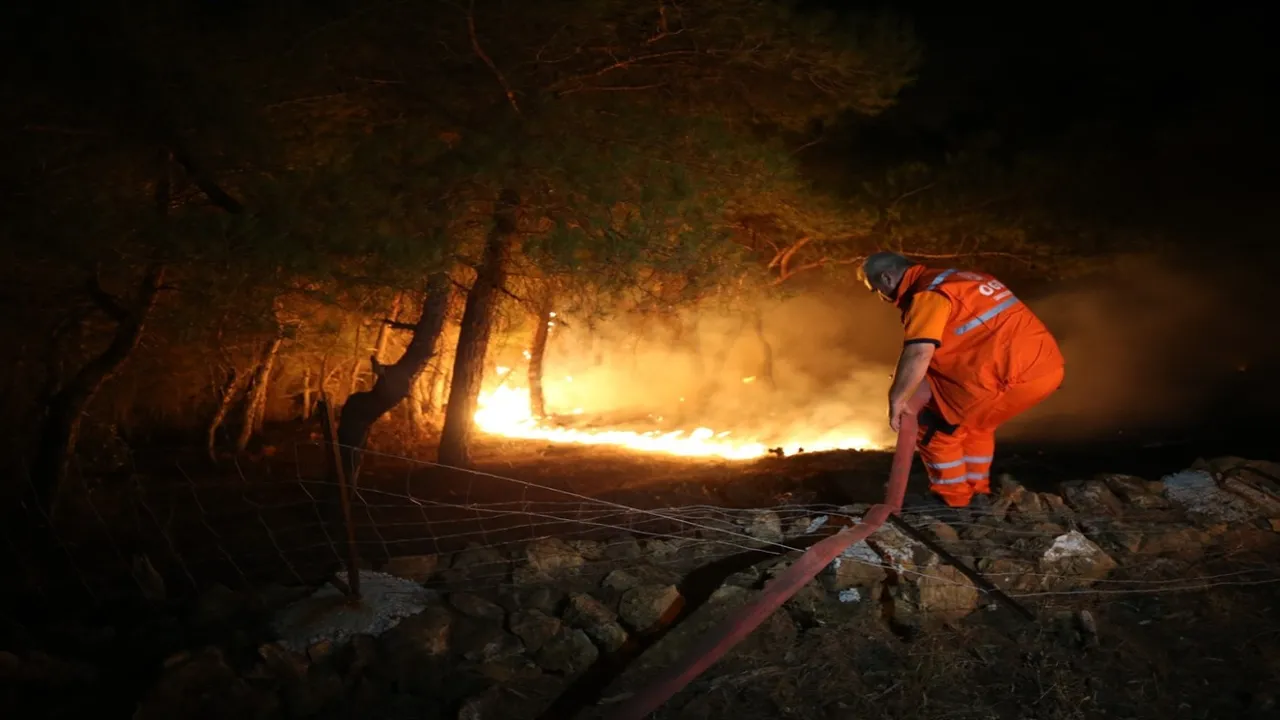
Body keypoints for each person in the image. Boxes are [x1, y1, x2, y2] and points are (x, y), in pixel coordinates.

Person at [858, 252, 1065, 509]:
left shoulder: (928, 295)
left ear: (887, 278)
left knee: (934, 428)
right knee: (975, 424)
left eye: (874, 289)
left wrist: (896, 399)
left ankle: (953, 502)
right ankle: (979, 494)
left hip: (1007, 376)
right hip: (1046, 368)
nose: (879, 296)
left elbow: (919, 351)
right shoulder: (964, 277)